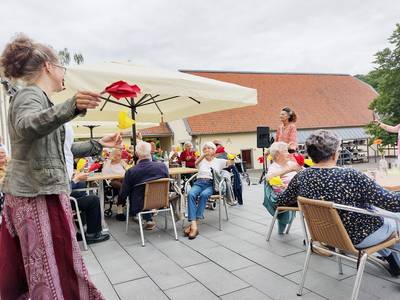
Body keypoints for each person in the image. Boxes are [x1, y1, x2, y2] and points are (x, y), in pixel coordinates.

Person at [0, 34, 121, 299]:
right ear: (48, 67)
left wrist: (98, 144)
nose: (63, 73)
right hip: (35, 193)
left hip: (43, 190)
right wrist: (72, 106)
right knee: (47, 267)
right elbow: (26, 125)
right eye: (61, 67)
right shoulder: (29, 95)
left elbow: (58, 149)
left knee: (56, 263)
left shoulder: (42, 100)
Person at [276, 130, 400, 276]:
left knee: (373, 219)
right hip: (359, 237)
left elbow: (281, 201)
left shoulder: (301, 177)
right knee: (393, 218)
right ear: (334, 154)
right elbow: (393, 203)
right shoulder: (351, 175)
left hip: (328, 237)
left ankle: (393, 260)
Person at [185, 142, 233, 239]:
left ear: (213, 150)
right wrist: (203, 155)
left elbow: (230, 163)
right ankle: (194, 225)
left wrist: (232, 157)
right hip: (199, 182)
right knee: (191, 194)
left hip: (211, 184)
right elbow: (195, 163)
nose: (207, 150)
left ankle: (193, 224)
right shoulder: (201, 160)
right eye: (205, 148)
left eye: (209, 148)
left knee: (204, 195)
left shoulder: (218, 161)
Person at [118, 141, 169, 229]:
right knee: (144, 192)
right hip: (161, 200)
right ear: (150, 152)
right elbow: (168, 184)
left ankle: (145, 218)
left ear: (137, 154)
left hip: (140, 203)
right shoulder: (162, 166)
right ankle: (149, 218)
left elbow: (123, 193)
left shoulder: (131, 171)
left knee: (138, 192)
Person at [265, 142, 302, 234]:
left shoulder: (291, 163)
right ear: (277, 155)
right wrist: (289, 170)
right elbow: (268, 178)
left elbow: (304, 172)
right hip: (284, 197)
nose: (289, 153)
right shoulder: (274, 167)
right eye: (285, 151)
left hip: (295, 194)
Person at [71, 172, 110, 244]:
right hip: (62, 201)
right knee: (94, 200)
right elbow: (65, 188)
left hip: (62, 199)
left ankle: (81, 232)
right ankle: (92, 235)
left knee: (78, 194)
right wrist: (76, 179)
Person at [102, 149, 129, 221]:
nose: (120, 157)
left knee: (127, 185)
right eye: (118, 155)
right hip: (112, 180)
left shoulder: (121, 162)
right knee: (122, 186)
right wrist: (109, 161)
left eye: (120, 155)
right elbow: (104, 174)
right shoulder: (108, 163)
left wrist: (125, 167)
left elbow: (128, 170)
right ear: (113, 156)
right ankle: (119, 209)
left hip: (123, 179)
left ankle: (126, 203)